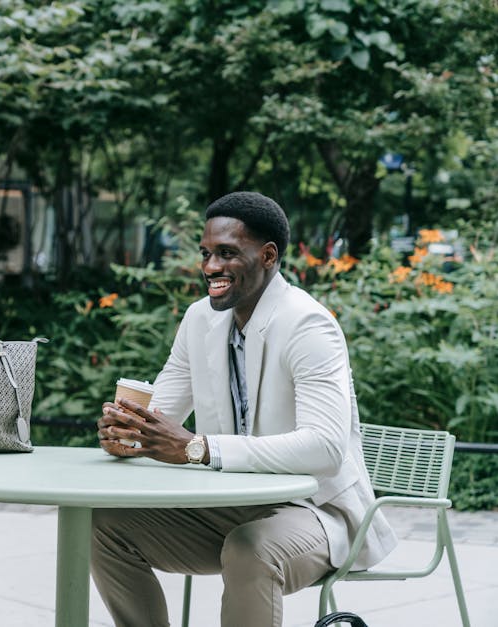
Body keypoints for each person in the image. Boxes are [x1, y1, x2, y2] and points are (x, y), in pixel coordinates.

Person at [92, 191, 397, 627]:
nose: (211, 267)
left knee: (251, 548)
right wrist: (127, 431)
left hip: (315, 511)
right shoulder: (201, 319)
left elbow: (326, 448)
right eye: (206, 253)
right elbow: (160, 417)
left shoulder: (308, 325)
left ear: (268, 255)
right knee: (104, 525)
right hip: (229, 505)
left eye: (227, 253)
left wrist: (200, 449)